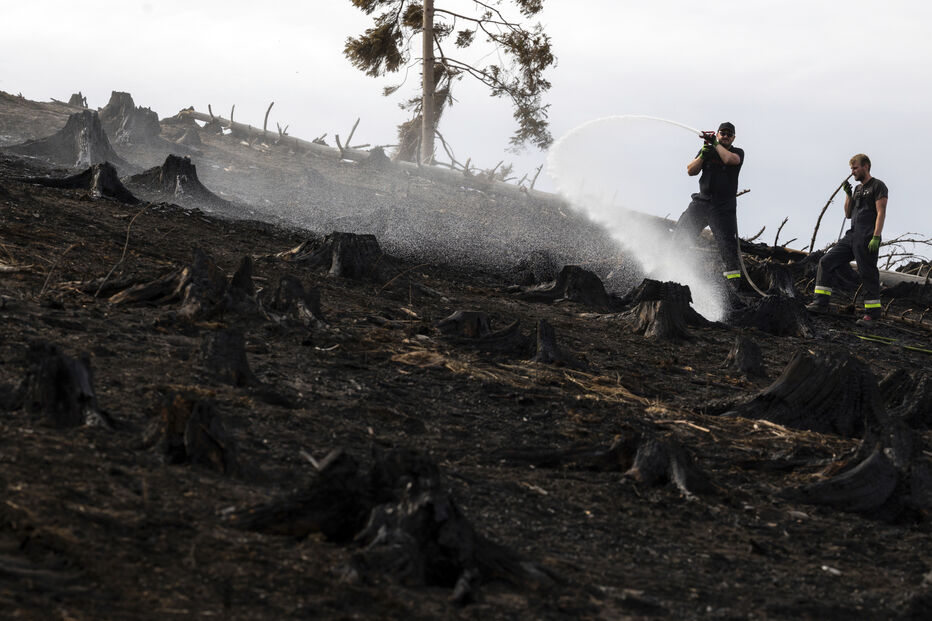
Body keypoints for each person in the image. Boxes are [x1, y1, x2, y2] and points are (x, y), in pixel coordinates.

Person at [806, 154, 888, 326]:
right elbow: (848, 214)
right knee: (826, 261)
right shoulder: (858, 190)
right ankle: (820, 303)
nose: (852, 172)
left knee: (868, 273)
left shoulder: (878, 186)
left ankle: (872, 315)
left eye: (855, 168)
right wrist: (848, 195)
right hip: (852, 235)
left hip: (867, 237)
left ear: (866, 166)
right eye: (851, 169)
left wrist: (876, 236)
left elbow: (881, 212)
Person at [674, 121, 747, 296]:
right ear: (718, 133)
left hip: (722, 208)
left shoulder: (737, 152)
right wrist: (703, 155)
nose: (726, 136)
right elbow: (691, 170)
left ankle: (733, 288)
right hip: (701, 203)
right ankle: (675, 274)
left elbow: (730, 160)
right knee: (681, 235)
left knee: (727, 247)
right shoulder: (707, 150)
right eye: (723, 133)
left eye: (729, 134)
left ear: (734, 138)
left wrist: (714, 143)